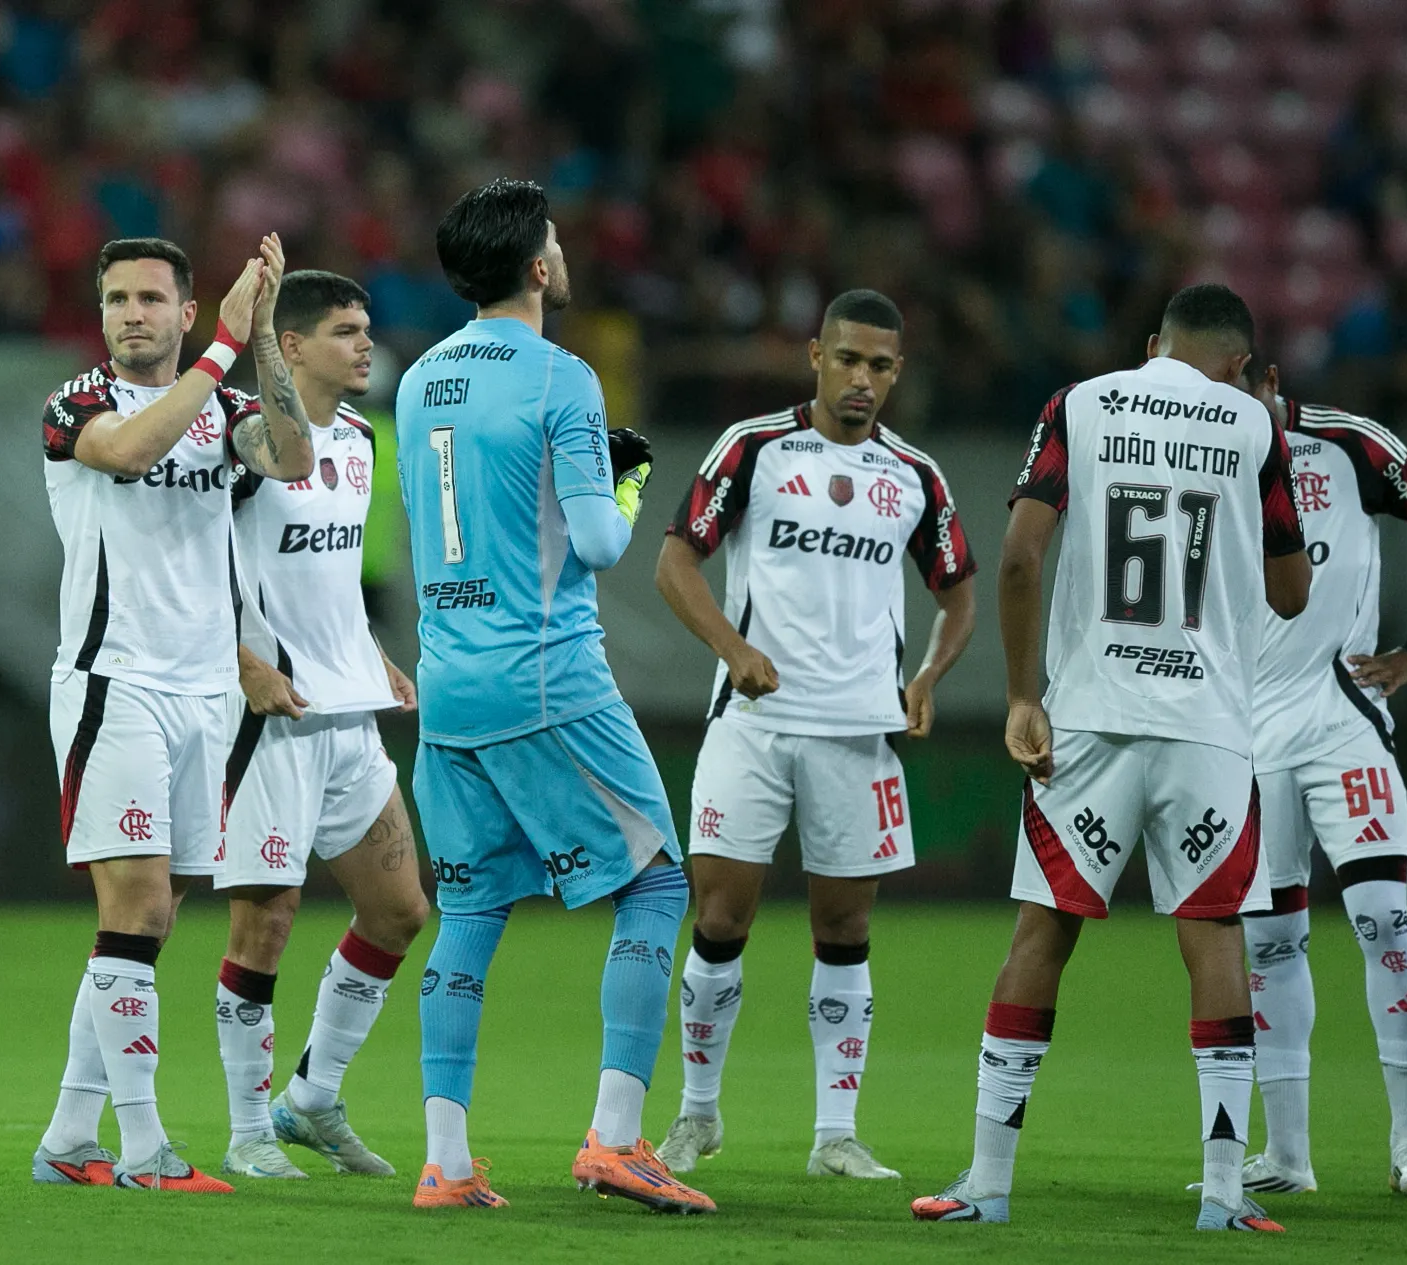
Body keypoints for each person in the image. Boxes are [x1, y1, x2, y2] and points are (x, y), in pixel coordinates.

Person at [911, 283, 1311, 1232]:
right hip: (1207, 726)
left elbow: (1015, 558)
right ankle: (1223, 1195)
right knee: (1213, 938)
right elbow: (1292, 591)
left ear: (1150, 345)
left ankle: (985, 1182)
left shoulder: (1080, 405)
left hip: (1088, 715)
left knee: (1041, 932)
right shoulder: (1253, 425)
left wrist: (1021, 695)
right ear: (1240, 367)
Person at [395, 178, 713, 1214]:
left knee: (473, 905)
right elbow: (599, 543)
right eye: (558, 241)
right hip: (544, 675)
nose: (566, 251)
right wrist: (622, 480)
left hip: (445, 683)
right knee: (658, 886)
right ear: (537, 266)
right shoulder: (561, 379)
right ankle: (616, 1139)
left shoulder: (416, 378)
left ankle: (444, 1161)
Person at [652, 290, 977, 1180]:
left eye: (879, 364)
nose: (862, 378)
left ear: (896, 372)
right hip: (752, 723)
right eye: (847, 360)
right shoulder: (753, 449)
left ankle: (835, 1133)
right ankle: (696, 1115)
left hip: (860, 731)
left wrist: (928, 678)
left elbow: (958, 591)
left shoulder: (916, 474)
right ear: (815, 357)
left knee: (844, 925)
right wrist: (731, 647)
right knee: (720, 918)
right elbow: (675, 559)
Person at [31, 234, 314, 1193]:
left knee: (149, 920)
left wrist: (265, 338)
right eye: (116, 299)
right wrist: (225, 351)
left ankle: (71, 1138)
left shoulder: (226, 401)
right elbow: (133, 449)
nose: (131, 314)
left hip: (204, 691)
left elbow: (289, 455)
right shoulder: (81, 404)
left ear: (185, 310)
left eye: (151, 298)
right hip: (115, 682)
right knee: (140, 906)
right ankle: (146, 1149)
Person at [1238, 369, 1407, 1200]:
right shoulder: (1203, 452)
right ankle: (1287, 1155)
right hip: (1246, 730)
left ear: (1263, 377)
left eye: (1235, 383)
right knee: (1267, 941)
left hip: (1343, 718)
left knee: (1382, 914)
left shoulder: (1347, 443)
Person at [213, 270, 429, 1180]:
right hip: (271, 716)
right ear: (289, 346)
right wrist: (240, 660)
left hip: (350, 712)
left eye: (365, 326)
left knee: (399, 908)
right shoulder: (237, 435)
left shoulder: (366, 441)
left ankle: (308, 1098)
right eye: (343, 330)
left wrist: (370, 647)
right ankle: (246, 1133)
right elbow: (184, 564)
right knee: (266, 925)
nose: (364, 343)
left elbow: (329, 573)